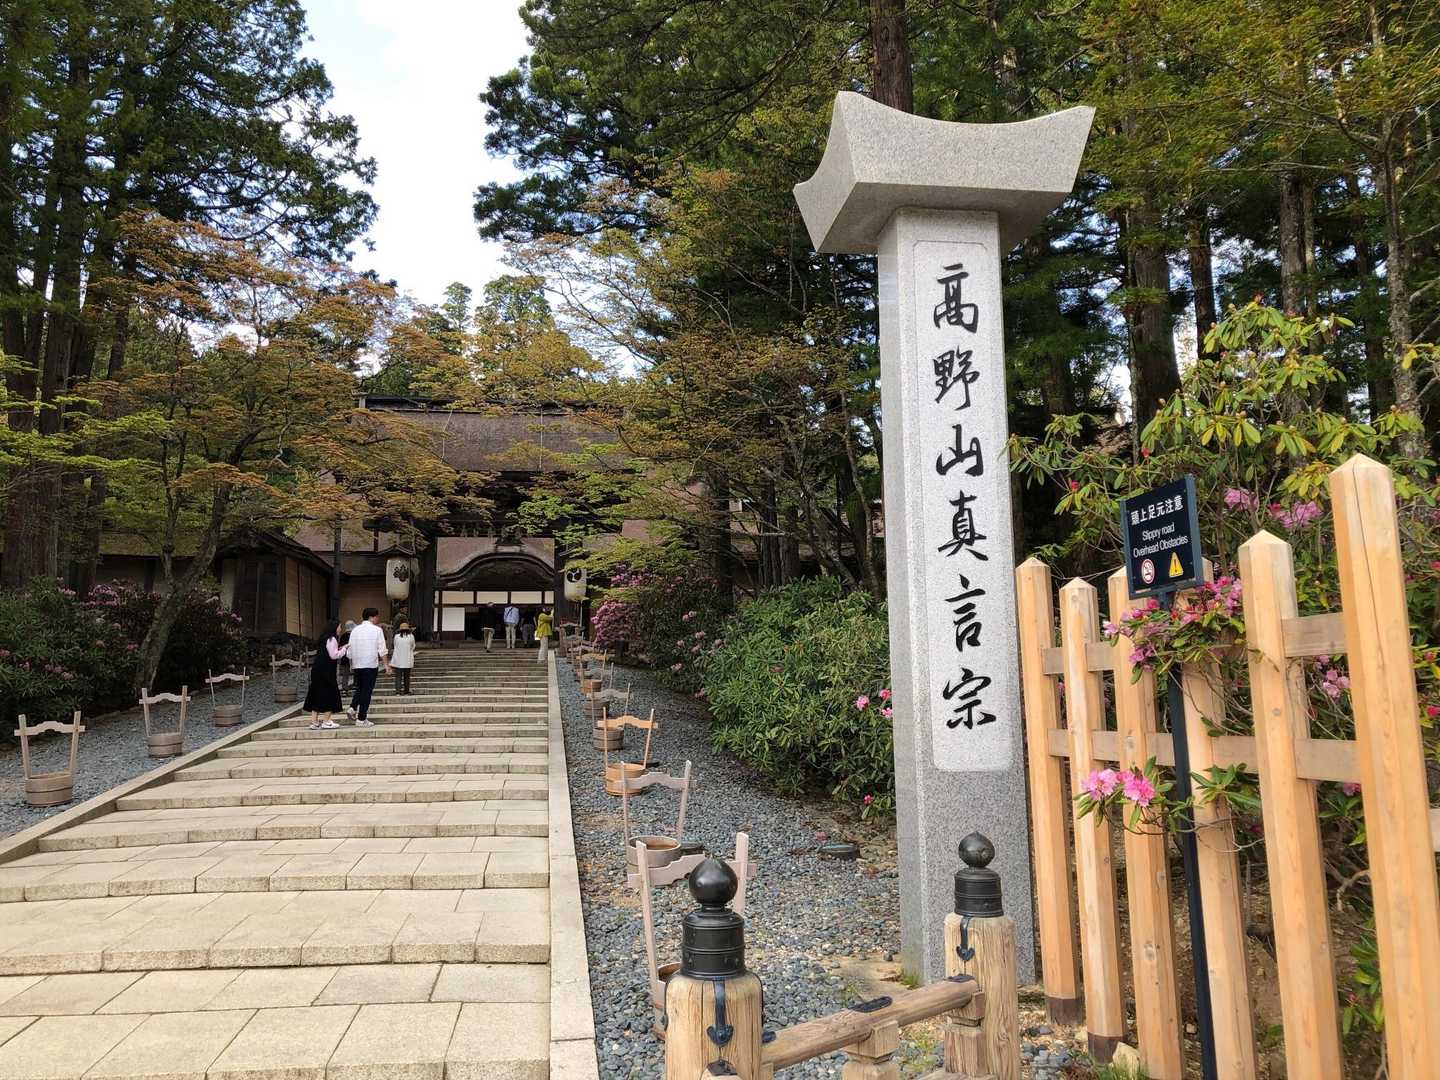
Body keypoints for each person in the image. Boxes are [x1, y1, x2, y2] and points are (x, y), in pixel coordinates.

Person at [345, 607, 391, 727]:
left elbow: (349, 651)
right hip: (370, 664)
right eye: (377, 616)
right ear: (372, 617)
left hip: (357, 664)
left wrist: (352, 663)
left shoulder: (355, 630)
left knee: (360, 688)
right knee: (367, 691)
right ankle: (361, 718)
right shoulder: (377, 630)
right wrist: (386, 665)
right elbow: (382, 649)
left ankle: (353, 707)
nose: (378, 619)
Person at [303, 622, 347, 729]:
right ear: (334, 627)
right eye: (339, 626)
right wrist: (344, 649)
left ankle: (314, 722)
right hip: (327, 671)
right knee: (330, 693)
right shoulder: (332, 639)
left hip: (317, 670)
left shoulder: (324, 638)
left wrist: (339, 649)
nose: (340, 629)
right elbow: (334, 655)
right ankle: (326, 721)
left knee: (317, 693)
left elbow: (328, 652)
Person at [391, 621, 417, 694]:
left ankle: (398, 692)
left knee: (398, 676)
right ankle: (406, 691)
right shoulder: (411, 636)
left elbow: (395, 645)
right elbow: (413, 646)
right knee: (407, 676)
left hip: (398, 660)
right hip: (407, 660)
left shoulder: (396, 636)